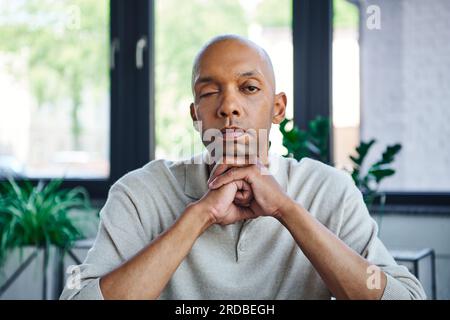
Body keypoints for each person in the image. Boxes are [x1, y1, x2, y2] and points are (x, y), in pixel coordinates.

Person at [60, 34, 425, 300]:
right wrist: (198, 216)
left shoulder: (330, 191)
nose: (229, 106)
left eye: (249, 88)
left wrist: (287, 210)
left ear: (278, 108)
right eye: (209, 92)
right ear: (195, 115)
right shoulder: (139, 193)